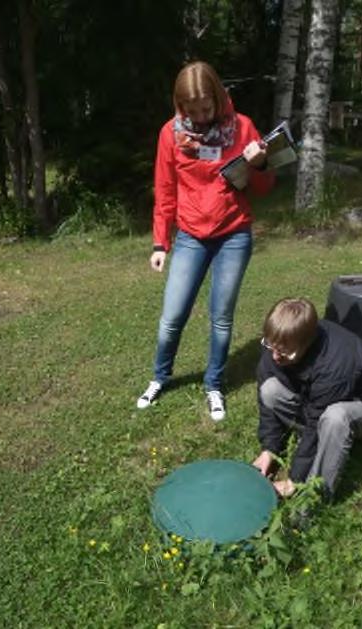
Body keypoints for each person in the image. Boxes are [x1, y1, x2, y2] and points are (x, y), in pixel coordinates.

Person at [137, 61, 274, 421]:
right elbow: (165, 189)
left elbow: (263, 188)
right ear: (180, 107)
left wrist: (259, 165)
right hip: (190, 236)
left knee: (221, 318)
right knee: (171, 317)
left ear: (218, 97)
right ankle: (160, 377)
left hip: (233, 234)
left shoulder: (242, 127)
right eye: (191, 110)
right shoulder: (171, 133)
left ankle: (214, 385)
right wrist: (159, 243)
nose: (200, 117)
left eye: (206, 108)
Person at [252, 298, 362, 499]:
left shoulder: (337, 362)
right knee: (269, 389)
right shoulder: (279, 341)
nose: (275, 357)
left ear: (307, 342)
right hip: (313, 400)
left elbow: (316, 423)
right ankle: (318, 447)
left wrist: (295, 478)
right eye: (270, 346)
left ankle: (314, 492)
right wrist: (269, 450)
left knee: (335, 418)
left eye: (284, 353)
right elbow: (268, 406)